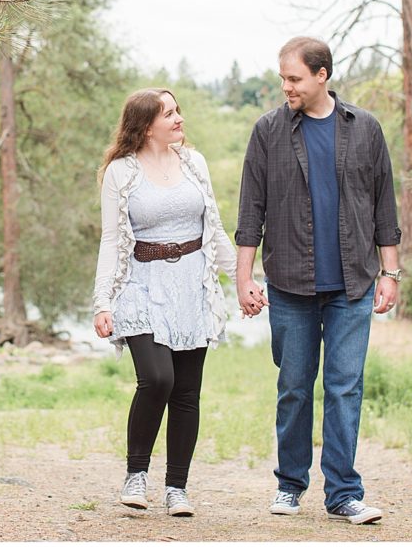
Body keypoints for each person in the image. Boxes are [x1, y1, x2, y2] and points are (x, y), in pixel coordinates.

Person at [235, 37, 402, 525]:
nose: (285, 86)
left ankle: (344, 493)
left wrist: (390, 272)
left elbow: (383, 205)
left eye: (294, 78)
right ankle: (290, 484)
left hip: (353, 283)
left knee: (345, 387)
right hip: (290, 283)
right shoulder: (267, 131)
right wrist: (244, 279)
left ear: (322, 75)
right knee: (293, 386)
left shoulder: (365, 129)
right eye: (283, 78)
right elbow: (251, 211)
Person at [93, 88, 237, 517]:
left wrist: (245, 280)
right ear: (146, 124)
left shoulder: (195, 164)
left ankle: (177, 488)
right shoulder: (121, 172)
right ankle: (136, 475)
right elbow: (112, 238)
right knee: (157, 379)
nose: (179, 119)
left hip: (192, 284)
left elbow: (214, 226)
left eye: (177, 111)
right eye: (169, 114)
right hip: (141, 284)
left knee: (187, 391)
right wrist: (103, 301)